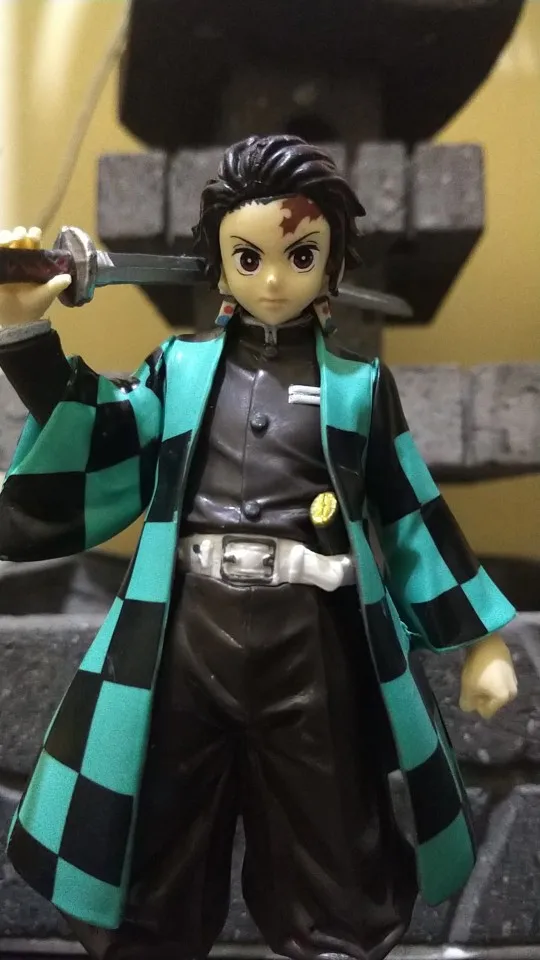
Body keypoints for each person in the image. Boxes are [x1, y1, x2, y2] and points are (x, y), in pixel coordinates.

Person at [0, 135, 518, 960]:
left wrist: (479, 639)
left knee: (334, 837)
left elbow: (410, 512)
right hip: (183, 639)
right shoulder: (179, 368)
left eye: (299, 255)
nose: (273, 280)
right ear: (220, 264)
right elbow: (104, 437)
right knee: (152, 834)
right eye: (249, 257)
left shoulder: (357, 386)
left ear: (331, 263)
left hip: (313, 645)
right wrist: (25, 335)